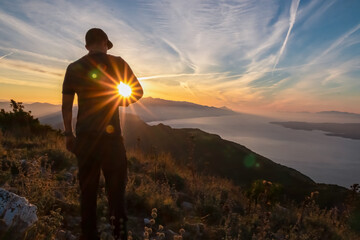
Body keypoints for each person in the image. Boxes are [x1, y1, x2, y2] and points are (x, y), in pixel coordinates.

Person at [62, 28, 143, 240]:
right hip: (112, 139)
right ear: (106, 43)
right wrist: (116, 100)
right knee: (117, 195)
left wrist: (68, 134)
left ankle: (89, 236)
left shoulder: (73, 67)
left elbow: (66, 106)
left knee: (87, 194)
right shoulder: (118, 63)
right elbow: (138, 92)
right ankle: (120, 236)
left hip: (86, 139)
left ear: (87, 46)